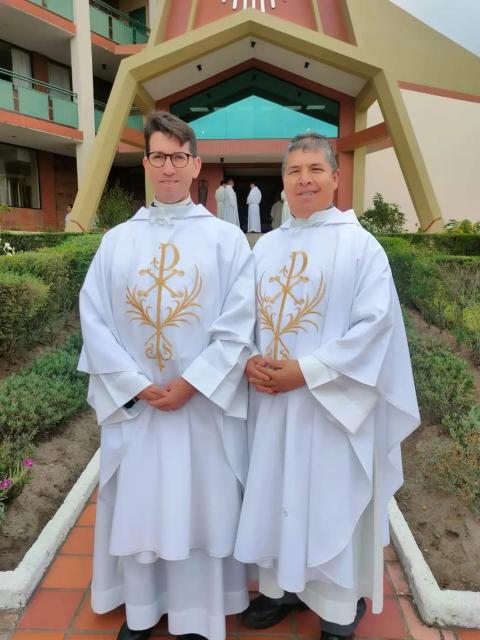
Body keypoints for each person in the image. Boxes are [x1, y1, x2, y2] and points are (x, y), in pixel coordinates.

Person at [234, 132, 420, 639]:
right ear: (284, 183)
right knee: (275, 491)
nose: (304, 180)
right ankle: (279, 591)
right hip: (273, 405)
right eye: (294, 172)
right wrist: (249, 359)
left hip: (333, 410)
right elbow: (240, 319)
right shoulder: (265, 247)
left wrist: (306, 372)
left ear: (336, 178)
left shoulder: (361, 247)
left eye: (315, 169)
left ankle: (338, 609)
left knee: (329, 498)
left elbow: (374, 327)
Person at [78, 111, 255, 640]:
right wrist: (135, 385)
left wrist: (193, 383)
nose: (169, 167)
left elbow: (239, 323)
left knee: (200, 504)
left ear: (196, 164)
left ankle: (199, 612)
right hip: (139, 408)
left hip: (199, 408)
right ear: (147, 164)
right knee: (142, 503)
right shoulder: (116, 242)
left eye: (179, 157)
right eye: (159, 156)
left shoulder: (227, 242)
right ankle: (142, 607)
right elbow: (95, 319)